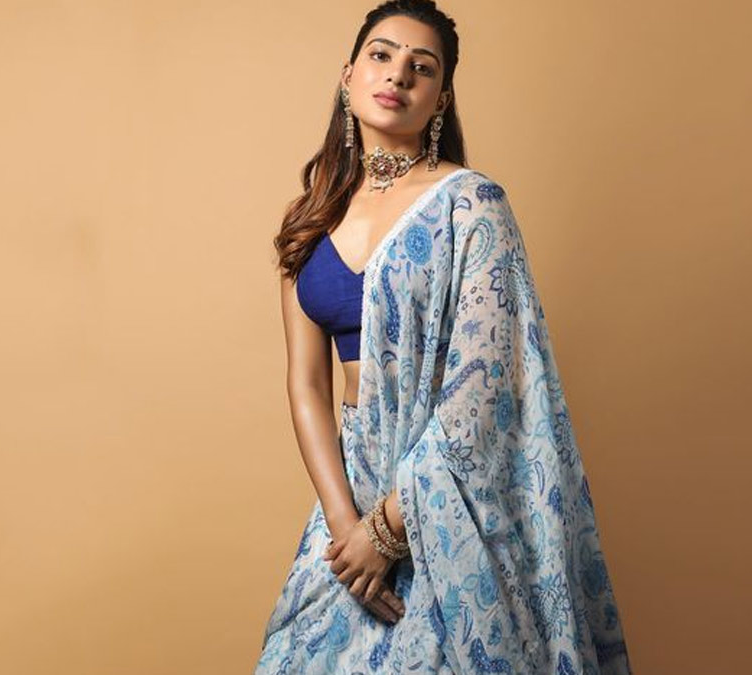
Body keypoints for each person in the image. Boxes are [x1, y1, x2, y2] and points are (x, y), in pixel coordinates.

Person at [258, 2, 632, 672]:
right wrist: (346, 529)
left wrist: (386, 529)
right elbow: (306, 384)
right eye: (381, 55)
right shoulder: (310, 217)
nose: (397, 74)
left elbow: (480, 391)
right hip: (352, 489)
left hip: (447, 495)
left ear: (441, 97)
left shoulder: (471, 205)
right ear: (347, 75)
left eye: (421, 67)